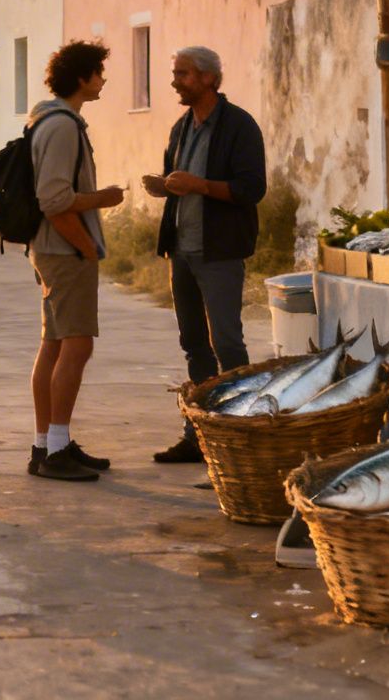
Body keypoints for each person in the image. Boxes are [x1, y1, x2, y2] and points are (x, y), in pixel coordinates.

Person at [144, 46, 266, 464]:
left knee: (228, 344)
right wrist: (165, 187)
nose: (176, 81)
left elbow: (251, 189)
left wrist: (198, 185)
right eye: (175, 73)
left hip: (220, 251)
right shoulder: (182, 127)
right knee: (194, 344)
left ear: (210, 79)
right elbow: (182, 182)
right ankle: (198, 435)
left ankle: (240, 434)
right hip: (182, 251)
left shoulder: (239, 126)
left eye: (184, 74)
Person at [26, 40, 125, 482]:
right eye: (99, 72)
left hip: (49, 248)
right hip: (64, 248)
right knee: (78, 345)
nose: (103, 79)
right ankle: (56, 450)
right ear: (82, 78)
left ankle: (47, 444)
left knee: (54, 344)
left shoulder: (45, 118)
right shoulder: (63, 125)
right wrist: (97, 216)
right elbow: (54, 199)